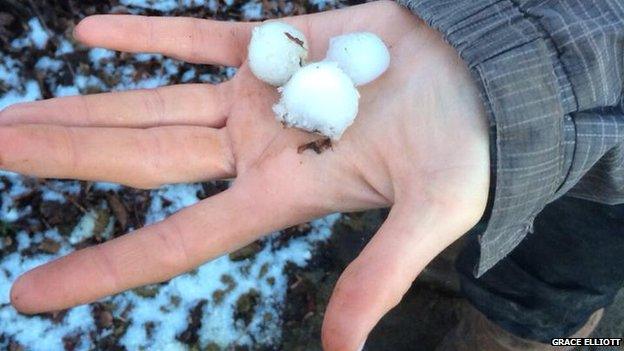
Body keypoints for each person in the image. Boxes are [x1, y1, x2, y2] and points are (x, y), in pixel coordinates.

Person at [0, 1, 621, 350]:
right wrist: (500, 46)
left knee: (539, 298)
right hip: (503, 61)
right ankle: (455, 261)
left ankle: (522, 336)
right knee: (436, 211)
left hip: (606, 200)